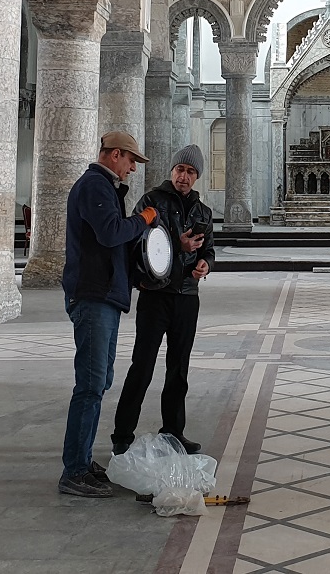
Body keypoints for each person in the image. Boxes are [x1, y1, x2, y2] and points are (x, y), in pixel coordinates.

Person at [59, 131, 158, 498]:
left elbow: (112, 246)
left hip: (105, 295)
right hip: (93, 296)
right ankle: (74, 470)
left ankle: (82, 460)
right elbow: (111, 233)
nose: (133, 168)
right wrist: (144, 219)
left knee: (98, 382)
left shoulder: (104, 188)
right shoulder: (94, 186)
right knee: (89, 384)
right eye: (131, 160)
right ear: (115, 155)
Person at [111, 145, 215, 457]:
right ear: (172, 171)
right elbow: (139, 242)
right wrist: (177, 246)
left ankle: (173, 432)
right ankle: (122, 435)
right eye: (180, 169)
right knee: (142, 366)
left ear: (197, 177)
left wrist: (206, 264)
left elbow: (208, 248)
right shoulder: (152, 201)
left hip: (186, 297)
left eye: (191, 172)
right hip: (156, 295)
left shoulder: (203, 212)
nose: (184, 176)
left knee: (178, 369)